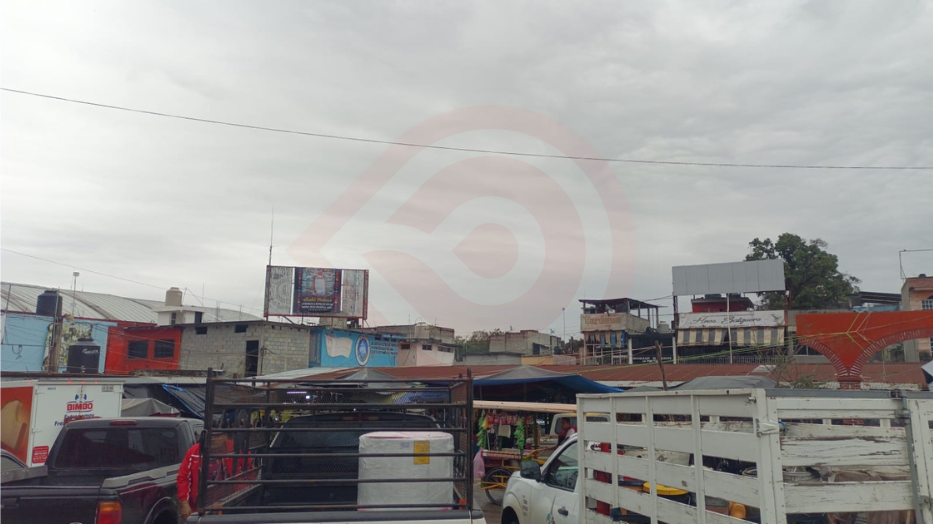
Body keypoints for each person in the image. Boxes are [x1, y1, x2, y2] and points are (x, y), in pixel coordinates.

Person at [177, 431, 204, 520]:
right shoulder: (194, 452)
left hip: (225, 503)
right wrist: (185, 504)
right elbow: (183, 478)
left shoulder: (231, 449)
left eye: (218, 435)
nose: (215, 439)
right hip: (197, 509)